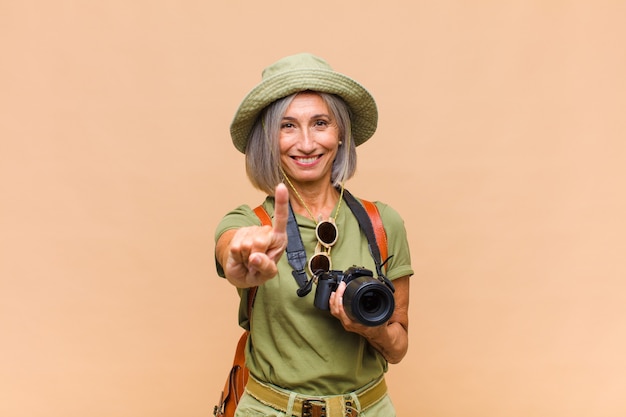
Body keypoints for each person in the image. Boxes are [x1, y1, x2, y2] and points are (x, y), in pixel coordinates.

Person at [215, 53, 413, 417]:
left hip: (367, 409)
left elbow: (398, 347)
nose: (306, 143)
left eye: (320, 123)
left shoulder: (383, 223)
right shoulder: (249, 221)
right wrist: (240, 256)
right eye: (287, 126)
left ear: (340, 135)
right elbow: (231, 246)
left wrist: (369, 329)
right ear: (269, 140)